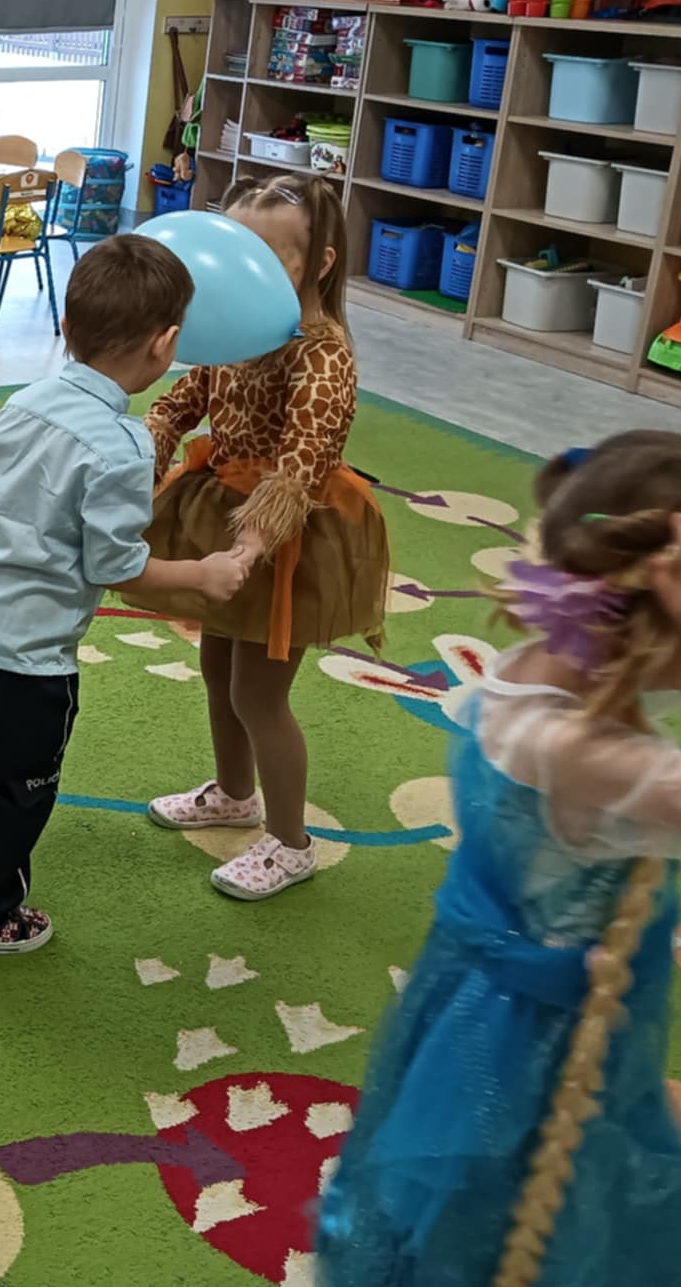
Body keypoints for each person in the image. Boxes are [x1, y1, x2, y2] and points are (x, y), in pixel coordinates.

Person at [316, 432, 681, 1287]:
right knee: (511, 1221)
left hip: (474, 994)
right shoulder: (584, 754)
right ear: (664, 620)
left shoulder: (525, 675)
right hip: (533, 1042)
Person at [0, 237, 251, 956]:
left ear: (66, 327)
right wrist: (202, 575)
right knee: (14, 790)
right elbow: (116, 566)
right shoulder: (122, 446)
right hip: (26, 661)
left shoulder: (23, 402)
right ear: (166, 345)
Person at [123, 172, 389, 901]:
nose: (247, 271)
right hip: (225, 512)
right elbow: (186, 397)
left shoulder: (322, 352)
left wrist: (251, 546)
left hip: (287, 536)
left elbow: (305, 460)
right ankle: (235, 795)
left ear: (320, 264)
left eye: (272, 256)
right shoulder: (240, 328)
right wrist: (148, 441)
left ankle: (292, 843)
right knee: (218, 671)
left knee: (259, 696)